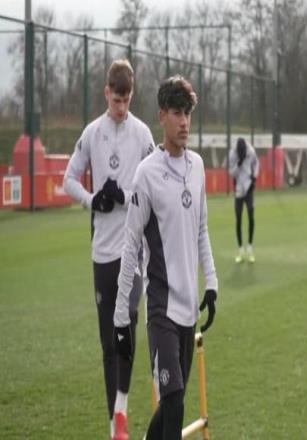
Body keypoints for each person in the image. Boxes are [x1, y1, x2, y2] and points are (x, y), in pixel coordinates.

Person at [113, 75, 218, 440]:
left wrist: (212, 284)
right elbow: (130, 246)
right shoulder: (147, 174)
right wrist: (120, 318)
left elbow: (202, 230)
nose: (184, 121)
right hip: (161, 310)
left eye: (187, 113)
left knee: (174, 402)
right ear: (162, 116)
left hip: (190, 310)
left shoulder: (198, 167)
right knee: (173, 403)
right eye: (177, 112)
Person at [63, 59, 155, 440]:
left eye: (127, 100)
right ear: (106, 94)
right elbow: (68, 180)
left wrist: (127, 196)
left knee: (127, 322)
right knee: (107, 343)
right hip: (102, 250)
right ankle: (114, 425)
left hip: (133, 248)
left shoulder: (142, 134)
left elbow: (155, 188)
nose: (121, 107)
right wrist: (93, 200)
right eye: (117, 100)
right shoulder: (92, 133)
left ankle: (122, 406)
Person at [229, 137, 260, 263]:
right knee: (238, 218)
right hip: (238, 189)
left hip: (249, 187)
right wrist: (238, 164)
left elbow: (256, 163)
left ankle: (250, 248)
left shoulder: (251, 151)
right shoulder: (232, 154)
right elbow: (231, 173)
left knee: (251, 214)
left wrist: (254, 177)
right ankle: (240, 250)